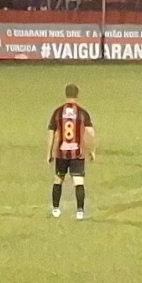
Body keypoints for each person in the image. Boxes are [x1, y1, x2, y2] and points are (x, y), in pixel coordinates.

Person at [46, 84, 95, 220]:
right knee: (79, 181)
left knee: (58, 180)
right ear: (77, 95)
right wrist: (92, 150)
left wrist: (49, 152)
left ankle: (56, 209)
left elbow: (51, 132)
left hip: (61, 153)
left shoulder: (58, 112)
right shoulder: (82, 113)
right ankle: (80, 212)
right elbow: (90, 133)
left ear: (66, 94)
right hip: (77, 153)